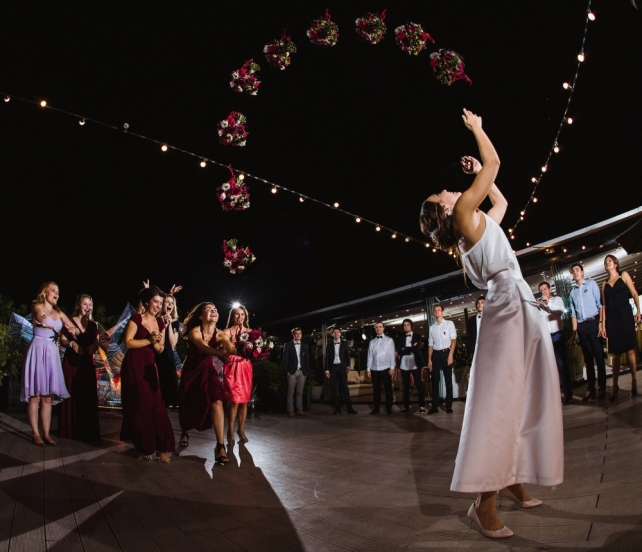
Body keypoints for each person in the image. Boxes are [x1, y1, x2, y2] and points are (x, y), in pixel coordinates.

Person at [419, 110, 563, 538]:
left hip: (516, 301)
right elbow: (495, 163)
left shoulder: (473, 221)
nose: (449, 188)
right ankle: (483, 503)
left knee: (522, 393)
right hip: (507, 306)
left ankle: (511, 476)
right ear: (444, 208)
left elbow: (500, 204)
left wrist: (479, 174)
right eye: (443, 192)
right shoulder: (463, 213)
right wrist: (477, 130)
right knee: (501, 399)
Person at [120, 286, 175, 463]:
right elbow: (128, 343)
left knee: (157, 405)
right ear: (146, 302)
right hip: (134, 364)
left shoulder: (160, 323)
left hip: (150, 367)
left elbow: (159, 349)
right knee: (142, 403)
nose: (158, 305)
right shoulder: (136, 319)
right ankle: (145, 447)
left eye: (160, 302)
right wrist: (148, 340)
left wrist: (157, 340)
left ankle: (162, 448)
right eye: (155, 301)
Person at [22, 282, 78, 447]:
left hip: (52, 352)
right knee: (35, 396)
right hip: (38, 349)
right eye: (53, 290)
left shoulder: (59, 312)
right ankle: (35, 433)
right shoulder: (37, 306)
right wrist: (58, 328)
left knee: (47, 396)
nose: (56, 294)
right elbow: (41, 318)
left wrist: (72, 331)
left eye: (58, 291)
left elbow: (73, 328)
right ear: (44, 293)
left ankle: (46, 434)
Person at [178, 302, 235, 465]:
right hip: (191, 370)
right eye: (208, 309)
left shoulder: (221, 334)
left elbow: (232, 349)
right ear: (201, 316)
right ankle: (185, 431)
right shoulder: (194, 331)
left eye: (215, 309)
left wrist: (249, 350)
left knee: (217, 400)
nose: (213, 311)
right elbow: (204, 348)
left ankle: (220, 446)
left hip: (208, 369)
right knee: (188, 402)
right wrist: (221, 354)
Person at [59, 294, 101, 441]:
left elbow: (97, 342)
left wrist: (94, 347)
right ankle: (70, 430)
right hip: (72, 364)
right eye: (85, 304)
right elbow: (63, 340)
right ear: (78, 306)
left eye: (90, 304)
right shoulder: (69, 321)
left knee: (87, 397)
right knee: (71, 394)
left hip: (87, 364)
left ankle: (86, 432)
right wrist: (72, 344)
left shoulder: (93, 325)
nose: (88, 307)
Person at [602, 254, 640, 400]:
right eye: (606, 262)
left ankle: (634, 381)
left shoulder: (623, 275)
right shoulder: (604, 284)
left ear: (616, 263)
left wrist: (638, 311)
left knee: (630, 349)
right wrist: (603, 325)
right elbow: (605, 306)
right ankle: (615, 386)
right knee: (615, 353)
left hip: (625, 316)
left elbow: (634, 293)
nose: (607, 263)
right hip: (612, 320)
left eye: (610, 261)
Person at [567, 263, 607, 401]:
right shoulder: (572, 293)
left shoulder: (591, 284)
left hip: (594, 323)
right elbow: (573, 314)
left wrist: (601, 324)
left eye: (577, 270)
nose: (575, 272)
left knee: (599, 356)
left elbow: (600, 306)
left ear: (582, 272)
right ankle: (591, 389)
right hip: (582, 327)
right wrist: (574, 334)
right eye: (573, 271)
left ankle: (602, 387)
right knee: (588, 359)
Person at [537, 282, 574, 405]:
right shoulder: (539, 305)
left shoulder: (557, 300)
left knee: (562, 365)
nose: (543, 291)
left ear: (550, 290)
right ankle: (556, 398)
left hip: (557, 336)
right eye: (541, 290)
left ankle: (568, 395)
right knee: (550, 368)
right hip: (546, 339)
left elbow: (560, 310)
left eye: (545, 289)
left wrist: (547, 303)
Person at [222, 305, 254, 443]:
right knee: (234, 401)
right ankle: (230, 430)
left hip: (245, 366)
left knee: (244, 401)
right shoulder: (227, 332)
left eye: (242, 314)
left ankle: (241, 430)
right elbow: (222, 351)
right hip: (232, 366)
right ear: (232, 316)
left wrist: (257, 351)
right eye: (237, 314)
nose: (239, 317)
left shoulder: (251, 332)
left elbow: (255, 350)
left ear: (245, 316)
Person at [426, 305, 457, 414]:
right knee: (435, 381)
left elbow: (453, 340)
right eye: (435, 310)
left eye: (439, 310)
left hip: (446, 353)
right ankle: (434, 407)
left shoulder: (449, 323)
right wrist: (429, 359)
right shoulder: (432, 327)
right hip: (435, 354)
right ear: (433, 313)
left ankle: (448, 406)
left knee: (448, 380)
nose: (437, 311)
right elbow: (430, 344)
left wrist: (451, 355)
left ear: (442, 312)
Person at [155, 294, 181, 409]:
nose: (170, 304)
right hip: (156, 355)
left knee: (168, 387)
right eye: (167, 302)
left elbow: (173, 343)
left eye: (172, 303)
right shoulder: (155, 319)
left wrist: (169, 324)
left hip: (168, 357)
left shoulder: (175, 322)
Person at [396, 319, 426, 413]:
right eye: (404, 325)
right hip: (404, 363)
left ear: (411, 325)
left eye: (408, 324)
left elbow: (416, 349)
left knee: (419, 384)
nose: (406, 326)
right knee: (406, 386)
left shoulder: (418, 336)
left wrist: (405, 348)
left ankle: (422, 406)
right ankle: (406, 406)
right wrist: (410, 347)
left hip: (415, 362)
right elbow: (399, 351)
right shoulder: (401, 338)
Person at [324, 328, 357, 415]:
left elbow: (347, 356)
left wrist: (348, 366)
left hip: (342, 367)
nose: (336, 333)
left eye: (337, 332)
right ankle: (337, 409)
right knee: (334, 389)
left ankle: (350, 408)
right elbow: (327, 358)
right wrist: (327, 370)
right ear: (332, 334)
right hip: (333, 368)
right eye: (334, 332)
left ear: (340, 334)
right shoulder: (329, 345)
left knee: (345, 388)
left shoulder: (344, 343)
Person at [367, 322, 396, 415]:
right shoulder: (372, 342)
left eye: (380, 327)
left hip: (386, 367)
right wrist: (368, 369)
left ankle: (389, 408)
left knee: (388, 389)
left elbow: (392, 355)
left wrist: (392, 368)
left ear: (383, 328)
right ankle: (377, 408)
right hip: (375, 368)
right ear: (375, 329)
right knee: (376, 390)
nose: (378, 328)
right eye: (376, 327)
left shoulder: (389, 340)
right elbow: (370, 356)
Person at [282, 327, 310, 417]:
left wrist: (306, 371)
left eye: (300, 333)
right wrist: (287, 371)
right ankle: (290, 410)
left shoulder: (304, 345)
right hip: (292, 372)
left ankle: (300, 410)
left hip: (302, 371)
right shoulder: (288, 345)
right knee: (291, 392)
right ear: (293, 335)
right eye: (296, 333)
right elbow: (285, 359)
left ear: (301, 335)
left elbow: (307, 359)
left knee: (299, 392)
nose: (298, 335)